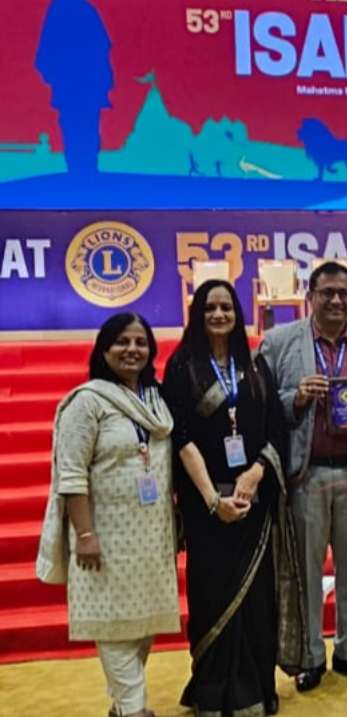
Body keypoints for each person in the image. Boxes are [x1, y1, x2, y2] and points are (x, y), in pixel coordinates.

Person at [161, 280, 305, 716]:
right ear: (198, 314)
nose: (219, 315)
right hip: (206, 507)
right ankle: (214, 691)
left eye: (226, 307)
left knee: (257, 600)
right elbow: (179, 437)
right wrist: (212, 500)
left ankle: (255, 689)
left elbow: (276, 429)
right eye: (210, 308)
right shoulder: (182, 367)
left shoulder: (255, 366)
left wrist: (256, 473)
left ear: (237, 313)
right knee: (212, 596)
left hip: (253, 502)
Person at [36, 314, 178, 717]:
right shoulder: (87, 402)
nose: (132, 350)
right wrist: (84, 534)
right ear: (103, 349)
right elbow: (71, 473)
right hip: (104, 536)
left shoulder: (156, 401)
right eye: (122, 342)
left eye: (140, 342)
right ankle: (134, 710)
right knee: (113, 623)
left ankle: (121, 707)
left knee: (143, 624)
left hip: (152, 533)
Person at [259, 261, 347, 691]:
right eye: (326, 292)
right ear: (310, 296)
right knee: (308, 575)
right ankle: (310, 656)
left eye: (343, 293)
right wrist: (294, 398)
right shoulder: (279, 342)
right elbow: (260, 406)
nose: (335, 300)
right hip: (306, 473)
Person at [34, 0, 113, 174]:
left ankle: (80, 171)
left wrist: (53, 76)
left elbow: (44, 54)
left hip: (71, 85)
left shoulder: (61, 10)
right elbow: (103, 47)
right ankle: (85, 170)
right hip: (84, 84)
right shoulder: (84, 10)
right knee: (85, 128)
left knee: (75, 128)